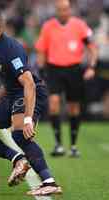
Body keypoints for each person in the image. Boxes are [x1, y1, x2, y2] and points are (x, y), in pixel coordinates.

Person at [0, 8, 62, 196]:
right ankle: (18, 159)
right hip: (12, 95)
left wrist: (27, 120)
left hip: (28, 93)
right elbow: (7, 82)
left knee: (20, 134)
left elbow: (29, 83)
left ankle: (49, 182)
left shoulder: (10, 48)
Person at [35, 0, 98, 157]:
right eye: (60, 9)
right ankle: (58, 145)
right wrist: (41, 71)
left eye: (66, 9)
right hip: (54, 69)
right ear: (56, 11)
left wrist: (92, 67)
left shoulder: (79, 25)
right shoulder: (48, 26)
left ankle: (74, 146)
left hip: (74, 69)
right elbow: (41, 50)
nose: (63, 12)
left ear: (70, 9)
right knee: (54, 103)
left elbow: (92, 47)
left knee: (73, 107)